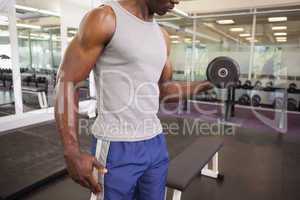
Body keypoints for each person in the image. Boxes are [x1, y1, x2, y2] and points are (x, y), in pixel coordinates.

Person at [54, 0, 212, 199]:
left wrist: (208, 84)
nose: (176, 1)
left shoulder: (162, 37)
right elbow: (67, 80)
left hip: (155, 143)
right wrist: (71, 151)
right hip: (116, 145)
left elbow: (163, 89)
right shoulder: (106, 18)